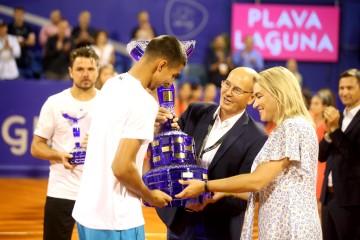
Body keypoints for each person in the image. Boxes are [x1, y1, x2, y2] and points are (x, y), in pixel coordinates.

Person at [176, 66, 322, 240]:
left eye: (259, 96)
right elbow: (273, 186)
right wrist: (226, 192)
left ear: (278, 93)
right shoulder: (296, 125)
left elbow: (257, 181)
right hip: (287, 224)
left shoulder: (291, 127)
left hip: (290, 227)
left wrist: (206, 185)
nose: (255, 104)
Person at [72, 35, 186, 240]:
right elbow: (122, 167)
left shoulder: (112, 84)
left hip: (87, 213)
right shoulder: (143, 102)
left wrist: (150, 125)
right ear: (162, 65)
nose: (170, 82)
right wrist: (149, 195)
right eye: (173, 74)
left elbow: (115, 135)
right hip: (116, 218)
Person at [156, 67, 268, 240]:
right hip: (180, 222)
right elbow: (171, 159)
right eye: (227, 84)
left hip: (217, 229)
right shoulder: (195, 111)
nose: (228, 93)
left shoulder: (257, 138)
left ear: (251, 98)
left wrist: (205, 199)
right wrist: (161, 131)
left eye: (237, 90)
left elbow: (246, 193)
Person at [30, 46, 100, 240]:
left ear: (98, 71)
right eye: (80, 69)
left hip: (98, 192)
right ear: (70, 71)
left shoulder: (108, 103)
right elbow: (36, 146)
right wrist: (59, 156)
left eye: (90, 69)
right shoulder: (54, 103)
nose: (85, 74)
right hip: (61, 190)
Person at [319, 68, 360, 240]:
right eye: (341, 88)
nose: (344, 92)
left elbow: (354, 157)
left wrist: (335, 130)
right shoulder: (339, 116)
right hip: (328, 198)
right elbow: (321, 156)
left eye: (349, 88)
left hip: (351, 200)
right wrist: (329, 134)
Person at [309, 88, 336, 201]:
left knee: (319, 201)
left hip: (321, 165)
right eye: (311, 103)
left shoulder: (327, 125)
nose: (312, 106)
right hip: (310, 164)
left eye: (316, 104)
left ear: (325, 107)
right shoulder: (309, 120)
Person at [7, 6, 36, 78]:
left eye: (20, 14)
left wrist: (21, 41)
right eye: (17, 14)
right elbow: (5, 40)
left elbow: (32, 41)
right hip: (11, 57)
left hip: (24, 56)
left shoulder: (28, 28)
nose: (19, 16)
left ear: (23, 15)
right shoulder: (8, 27)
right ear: (14, 15)